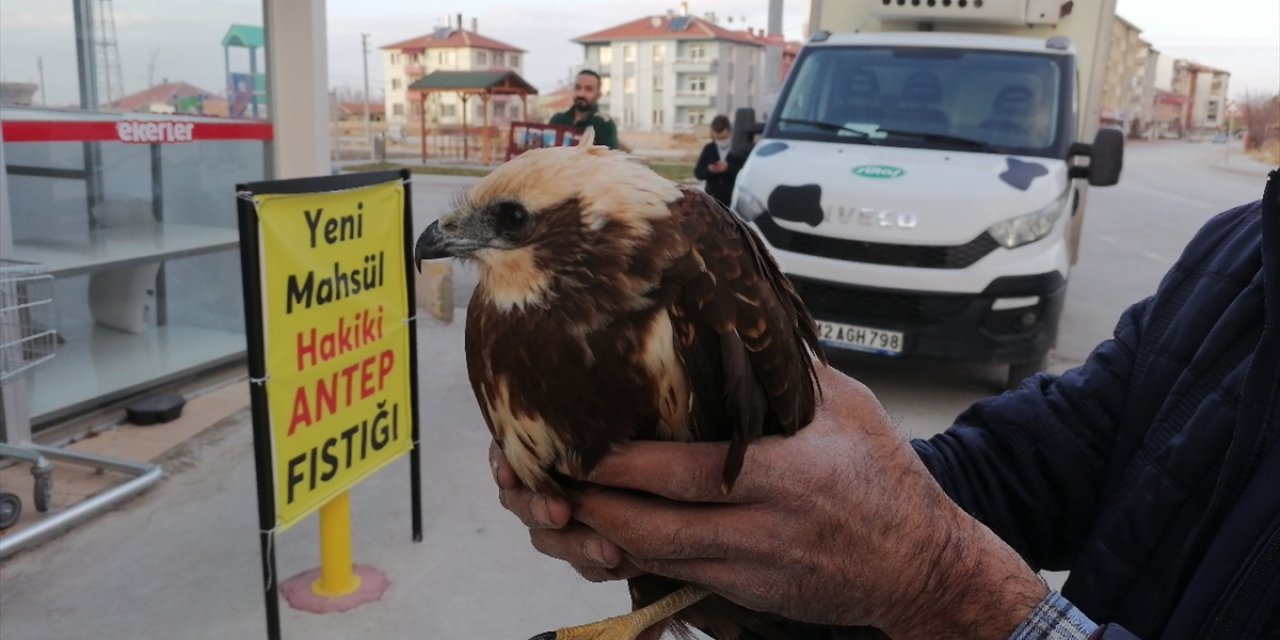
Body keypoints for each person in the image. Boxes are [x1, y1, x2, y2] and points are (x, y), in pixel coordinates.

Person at [493, 170, 1280, 639]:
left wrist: (947, 589)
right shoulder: (1246, 249)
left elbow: (940, 567)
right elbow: (1033, 463)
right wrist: (805, 504)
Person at [550, 70, 620, 150]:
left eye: (588, 89)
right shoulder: (557, 120)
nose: (581, 94)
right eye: (578, 87)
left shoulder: (604, 124)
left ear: (598, 95)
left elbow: (610, 160)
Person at [693, 115, 745, 206]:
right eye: (718, 139)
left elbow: (745, 174)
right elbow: (698, 173)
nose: (721, 141)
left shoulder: (739, 150)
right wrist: (709, 170)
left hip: (733, 200)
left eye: (723, 138)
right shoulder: (709, 149)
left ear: (730, 132)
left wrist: (728, 168)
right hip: (713, 200)